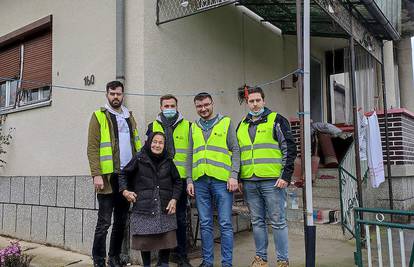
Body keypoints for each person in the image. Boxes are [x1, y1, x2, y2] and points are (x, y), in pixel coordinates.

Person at [236, 87, 296, 267]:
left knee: (277, 222)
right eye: (251, 101)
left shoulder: (276, 120)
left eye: (257, 100)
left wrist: (286, 175)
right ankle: (261, 259)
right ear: (247, 103)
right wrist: (239, 178)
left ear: (264, 101)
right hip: (249, 181)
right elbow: (238, 154)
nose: (254, 104)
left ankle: (282, 261)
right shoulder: (242, 124)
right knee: (257, 222)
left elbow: (289, 148)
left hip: (273, 181)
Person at [87, 80, 142, 267]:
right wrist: (96, 174)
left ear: (123, 94)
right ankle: (99, 260)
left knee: (121, 221)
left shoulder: (129, 116)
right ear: (107, 94)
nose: (115, 97)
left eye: (118, 93)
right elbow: (92, 148)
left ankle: (114, 258)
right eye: (112, 93)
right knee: (104, 223)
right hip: (107, 177)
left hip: (127, 177)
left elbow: (137, 145)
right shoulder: (98, 116)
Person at [186, 92, 240, 267]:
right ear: (196, 107)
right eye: (199, 106)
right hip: (200, 181)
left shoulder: (226, 122)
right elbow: (189, 155)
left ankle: (227, 264)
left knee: (225, 223)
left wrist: (233, 175)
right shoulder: (193, 127)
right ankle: (207, 262)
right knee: (206, 223)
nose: (203, 109)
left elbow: (236, 150)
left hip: (222, 181)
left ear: (212, 104)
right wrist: (189, 180)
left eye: (206, 105)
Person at [118, 132, 182, 267]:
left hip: (165, 206)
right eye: (155, 141)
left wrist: (174, 199)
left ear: (164, 146)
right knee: (144, 240)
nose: (157, 145)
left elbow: (177, 181)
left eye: (161, 143)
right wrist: (125, 191)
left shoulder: (168, 160)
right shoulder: (139, 157)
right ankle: (146, 265)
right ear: (149, 142)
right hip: (144, 206)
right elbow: (123, 174)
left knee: (167, 238)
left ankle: (163, 263)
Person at [146, 94, 193, 267]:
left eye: (172, 105)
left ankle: (182, 256)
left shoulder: (188, 126)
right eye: (166, 106)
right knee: (161, 220)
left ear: (177, 106)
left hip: (180, 180)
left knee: (180, 219)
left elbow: (191, 153)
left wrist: (190, 180)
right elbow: (149, 152)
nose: (169, 108)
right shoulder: (153, 126)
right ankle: (162, 259)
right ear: (161, 107)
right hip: (161, 181)